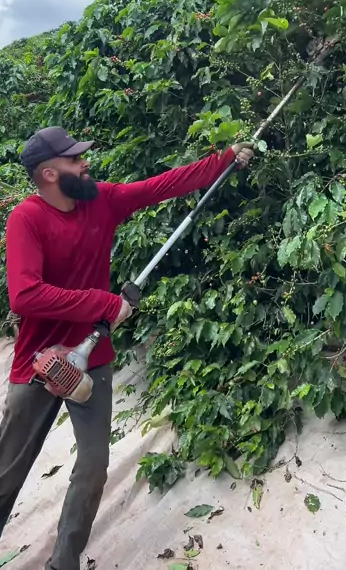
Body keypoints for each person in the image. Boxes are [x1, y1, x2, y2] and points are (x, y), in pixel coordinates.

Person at [0, 126, 254, 570]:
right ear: (49, 173)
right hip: (38, 362)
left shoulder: (101, 199)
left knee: (94, 466)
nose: (85, 163)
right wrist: (102, 303)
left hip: (92, 358)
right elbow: (24, 295)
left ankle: (63, 563)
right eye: (74, 159)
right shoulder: (27, 219)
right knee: (8, 470)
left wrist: (225, 158)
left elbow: (161, 186)